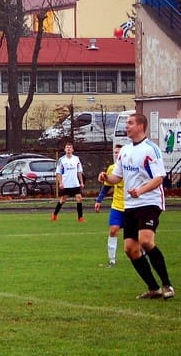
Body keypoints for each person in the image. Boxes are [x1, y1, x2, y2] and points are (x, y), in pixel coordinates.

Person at [98, 112, 174, 300]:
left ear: (141, 126)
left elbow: (159, 178)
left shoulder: (151, 149)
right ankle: (154, 288)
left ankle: (167, 285)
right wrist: (107, 178)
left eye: (130, 123)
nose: (127, 126)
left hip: (149, 202)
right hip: (130, 205)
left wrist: (141, 191)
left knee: (146, 240)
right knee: (131, 249)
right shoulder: (124, 150)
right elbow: (118, 177)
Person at [94, 145, 124, 267]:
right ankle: (112, 261)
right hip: (117, 205)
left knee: (136, 235)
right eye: (115, 152)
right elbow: (106, 186)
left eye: (119, 152)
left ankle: (143, 256)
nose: (116, 154)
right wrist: (99, 200)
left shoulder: (132, 167)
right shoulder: (112, 168)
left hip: (133, 206)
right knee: (113, 230)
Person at [51, 142, 85, 222]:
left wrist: (81, 182)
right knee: (63, 200)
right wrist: (60, 183)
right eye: (67, 147)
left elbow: (79, 171)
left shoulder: (76, 159)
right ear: (65, 149)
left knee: (79, 198)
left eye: (70, 147)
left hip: (75, 183)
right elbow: (58, 172)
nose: (69, 149)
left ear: (72, 150)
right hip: (66, 184)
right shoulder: (61, 160)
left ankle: (80, 217)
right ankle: (55, 214)